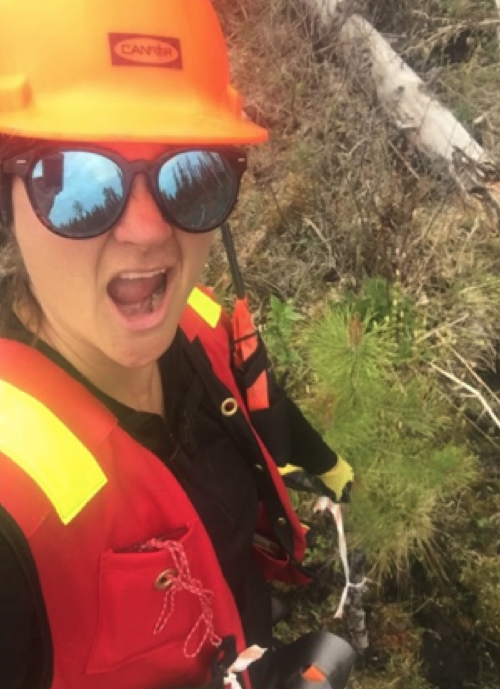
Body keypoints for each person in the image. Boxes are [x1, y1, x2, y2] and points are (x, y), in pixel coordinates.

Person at [0, 1, 354, 688]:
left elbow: (256, 389)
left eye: (190, 174)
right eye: (77, 180)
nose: (146, 231)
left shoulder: (190, 322)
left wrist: (323, 460)